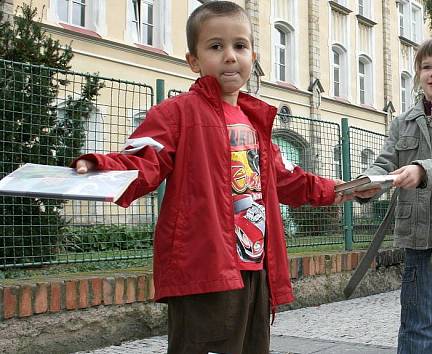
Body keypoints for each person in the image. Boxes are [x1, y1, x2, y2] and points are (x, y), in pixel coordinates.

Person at [73, 2, 348, 353]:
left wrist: (339, 190)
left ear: (253, 55)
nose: (230, 56)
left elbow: (286, 178)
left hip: (255, 267)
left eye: (240, 46)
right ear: (194, 61)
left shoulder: (254, 121)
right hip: (203, 269)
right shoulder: (176, 113)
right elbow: (144, 161)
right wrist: (98, 166)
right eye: (216, 46)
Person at [355, 36, 432, 354]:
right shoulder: (402, 123)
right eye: (426, 67)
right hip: (416, 237)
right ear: (418, 74)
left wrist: (423, 170)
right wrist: (366, 185)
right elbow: (385, 164)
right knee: (418, 323)